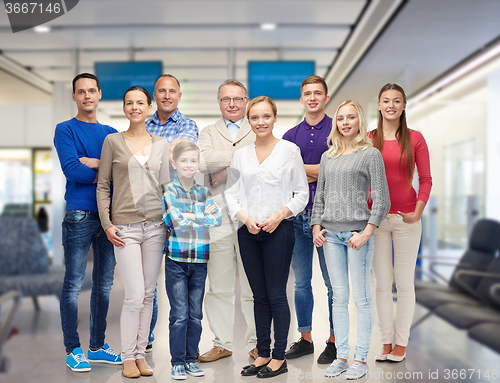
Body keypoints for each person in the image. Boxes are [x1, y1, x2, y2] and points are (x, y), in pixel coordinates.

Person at [225, 96, 309, 378]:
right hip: (248, 232)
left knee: (275, 295)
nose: (260, 122)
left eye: (265, 117)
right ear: (249, 122)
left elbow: (302, 193)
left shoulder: (289, 151)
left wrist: (279, 215)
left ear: (274, 118)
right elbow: (231, 195)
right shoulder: (240, 155)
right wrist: (245, 219)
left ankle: (278, 357)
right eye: (255, 118)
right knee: (257, 296)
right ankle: (262, 354)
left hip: (279, 232)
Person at [312, 100, 390, 379]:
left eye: (351, 118)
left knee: (361, 298)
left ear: (359, 121)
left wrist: (367, 232)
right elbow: (319, 196)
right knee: (338, 297)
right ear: (336, 123)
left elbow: (382, 198)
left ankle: (360, 360)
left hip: (358, 234)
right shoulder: (328, 156)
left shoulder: (370, 154)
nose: (345, 123)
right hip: (330, 236)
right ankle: (342, 356)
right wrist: (316, 226)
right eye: (341, 118)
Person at [96, 86, 170, 378]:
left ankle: (141, 356)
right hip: (124, 228)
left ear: (149, 107)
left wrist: (172, 223)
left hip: (155, 227)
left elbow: (166, 188)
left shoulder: (162, 143)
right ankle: (127, 356)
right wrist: (107, 223)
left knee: (149, 294)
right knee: (134, 295)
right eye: (130, 103)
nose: (135, 107)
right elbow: (103, 185)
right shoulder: (112, 141)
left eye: (141, 102)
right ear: (124, 108)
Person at [54, 73, 122, 372]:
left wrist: (93, 164)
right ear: (74, 96)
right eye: (80, 92)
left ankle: (97, 347)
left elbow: (122, 173)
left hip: (109, 216)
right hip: (80, 214)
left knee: (104, 285)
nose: (87, 96)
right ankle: (73, 350)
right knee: (73, 284)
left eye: (91, 91)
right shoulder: (65, 129)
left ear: (99, 94)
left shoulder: (110, 132)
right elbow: (72, 171)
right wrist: (104, 171)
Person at [370, 83, 432, 362]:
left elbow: (426, 179)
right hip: (377, 221)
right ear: (379, 106)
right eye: (386, 100)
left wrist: (418, 211)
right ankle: (385, 341)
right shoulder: (369, 138)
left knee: (405, 283)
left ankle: (401, 343)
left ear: (404, 105)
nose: (391, 105)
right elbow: (362, 180)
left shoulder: (415, 138)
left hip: (407, 218)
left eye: (397, 100)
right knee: (382, 283)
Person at [197, 79, 257, 362]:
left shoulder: (257, 127)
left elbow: (264, 167)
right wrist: (240, 160)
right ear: (219, 102)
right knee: (218, 285)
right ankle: (222, 342)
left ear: (246, 101)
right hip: (217, 217)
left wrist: (223, 171)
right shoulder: (208, 132)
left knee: (253, 283)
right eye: (225, 99)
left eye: (237, 99)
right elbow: (202, 162)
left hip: (251, 216)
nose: (231, 104)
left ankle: (257, 342)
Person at [282, 75, 336, 363]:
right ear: (301, 99)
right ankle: (305, 339)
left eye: (318, 93)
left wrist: (304, 169)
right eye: (307, 93)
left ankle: (333, 340)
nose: (313, 98)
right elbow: (286, 176)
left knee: (332, 284)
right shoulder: (289, 136)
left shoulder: (338, 130)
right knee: (301, 284)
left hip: (328, 219)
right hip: (297, 218)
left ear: (326, 98)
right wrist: (320, 168)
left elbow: (336, 171)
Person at [145, 73, 199, 352]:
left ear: (179, 96)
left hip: (178, 210)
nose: (167, 95)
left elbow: (180, 158)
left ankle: (186, 345)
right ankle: (147, 338)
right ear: (154, 95)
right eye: (161, 91)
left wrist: (150, 152)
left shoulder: (189, 125)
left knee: (182, 279)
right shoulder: (142, 123)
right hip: (146, 208)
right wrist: (163, 151)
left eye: (172, 91)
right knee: (148, 281)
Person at [162, 141, 223, 380]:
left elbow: (217, 219)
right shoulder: (169, 190)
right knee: (179, 315)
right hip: (176, 261)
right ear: (174, 163)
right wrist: (199, 216)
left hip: (199, 261)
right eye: (183, 161)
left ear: (198, 164)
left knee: (195, 314)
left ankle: (190, 360)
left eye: (193, 161)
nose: (189, 165)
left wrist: (189, 214)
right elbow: (176, 222)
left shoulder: (204, 192)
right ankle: (177, 362)